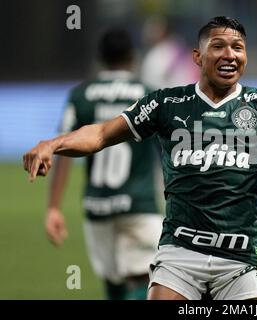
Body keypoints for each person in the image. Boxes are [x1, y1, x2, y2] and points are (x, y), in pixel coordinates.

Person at [23, 17, 257, 300]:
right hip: (179, 254)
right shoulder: (167, 103)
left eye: (238, 47)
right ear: (198, 57)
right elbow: (101, 134)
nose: (230, 54)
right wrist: (52, 144)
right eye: (219, 46)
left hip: (241, 259)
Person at [45, 28, 163, 300]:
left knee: (113, 279)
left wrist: (53, 207)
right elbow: (166, 150)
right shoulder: (147, 95)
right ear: (132, 57)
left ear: (100, 57)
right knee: (146, 278)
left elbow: (63, 150)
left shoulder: (80, 95)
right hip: (139, 203)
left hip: (97, 205)